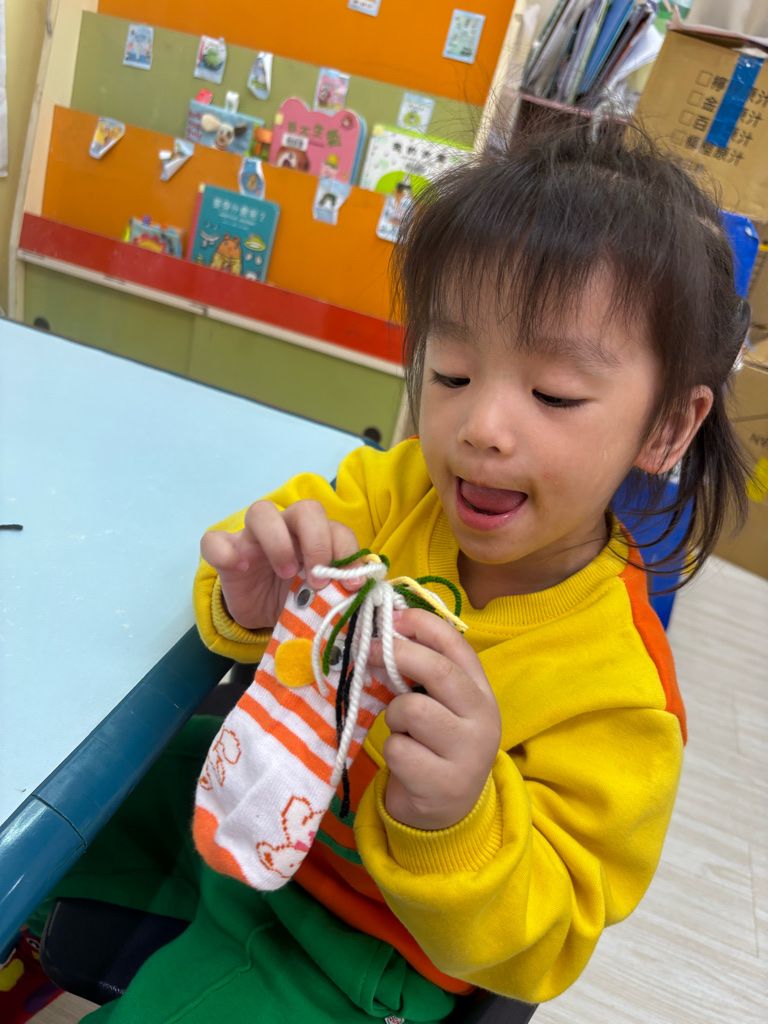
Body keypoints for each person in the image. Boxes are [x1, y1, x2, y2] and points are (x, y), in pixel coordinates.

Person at [14, 118, 750, 1024]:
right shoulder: (401, 489)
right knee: (60, 799)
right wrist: (252, 594)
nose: (481, 428)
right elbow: (277, 528)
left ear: (667, 427)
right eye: (452, 373)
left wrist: (461, 814)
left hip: (355, 950)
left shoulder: (620, 695)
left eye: (554, 394)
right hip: (260, 802)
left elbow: (548, 939)